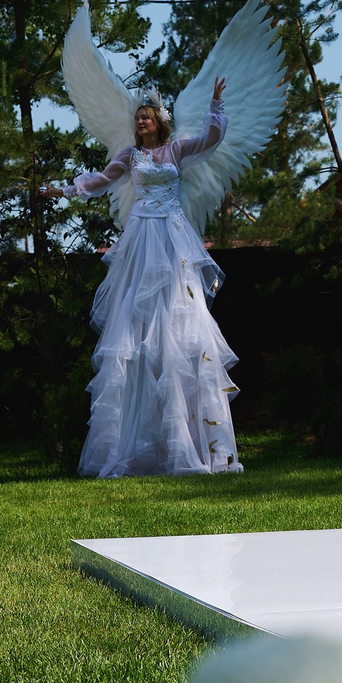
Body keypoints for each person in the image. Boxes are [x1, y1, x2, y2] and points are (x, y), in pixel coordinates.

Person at [45, 79, 241, 477]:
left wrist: (216, 103)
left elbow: (212, 138)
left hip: (171, 237)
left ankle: (194, 446)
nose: (142, 123)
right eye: (138, 119)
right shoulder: (130, 157)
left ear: (159, 122)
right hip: (140, 238)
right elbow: (100, 181)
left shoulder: (176, 151)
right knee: (135, 325)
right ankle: (130, 448)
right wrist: (64, 191)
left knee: (179, 319)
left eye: (147, 117)